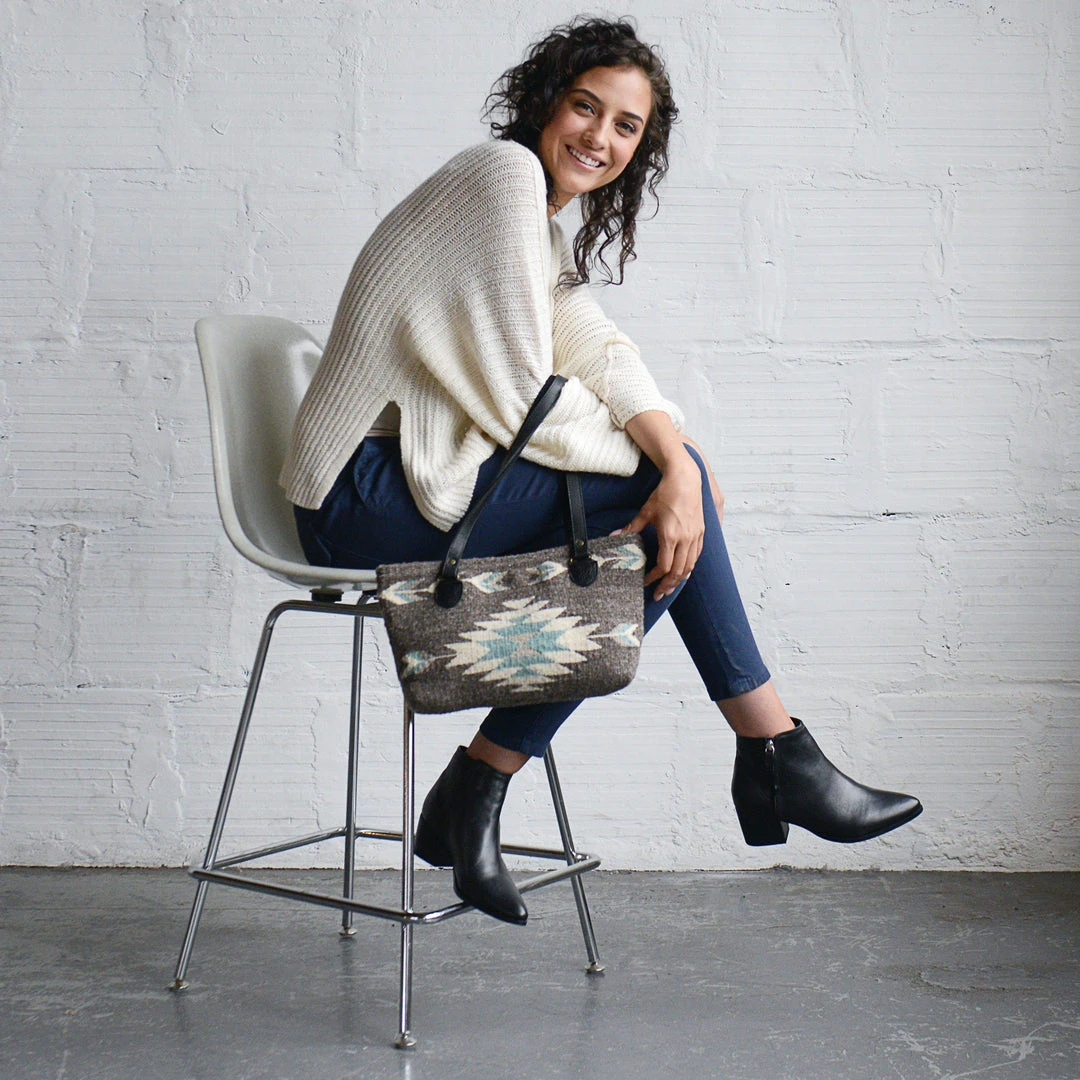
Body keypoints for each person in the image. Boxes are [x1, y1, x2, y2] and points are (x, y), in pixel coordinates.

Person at [282, 17, 922, 927]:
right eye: (586, 107)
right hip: (356, 496)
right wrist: (672, 475)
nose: (600, 137)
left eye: (627, 126)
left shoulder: (536, 223)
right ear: (547, 102)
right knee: (655, 507)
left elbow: (595, 349)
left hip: (395, 482)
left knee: (665, 495)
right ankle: (766, 758)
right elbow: (522, 396)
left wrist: (675, 455)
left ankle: (514, 784)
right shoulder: (499, 177)